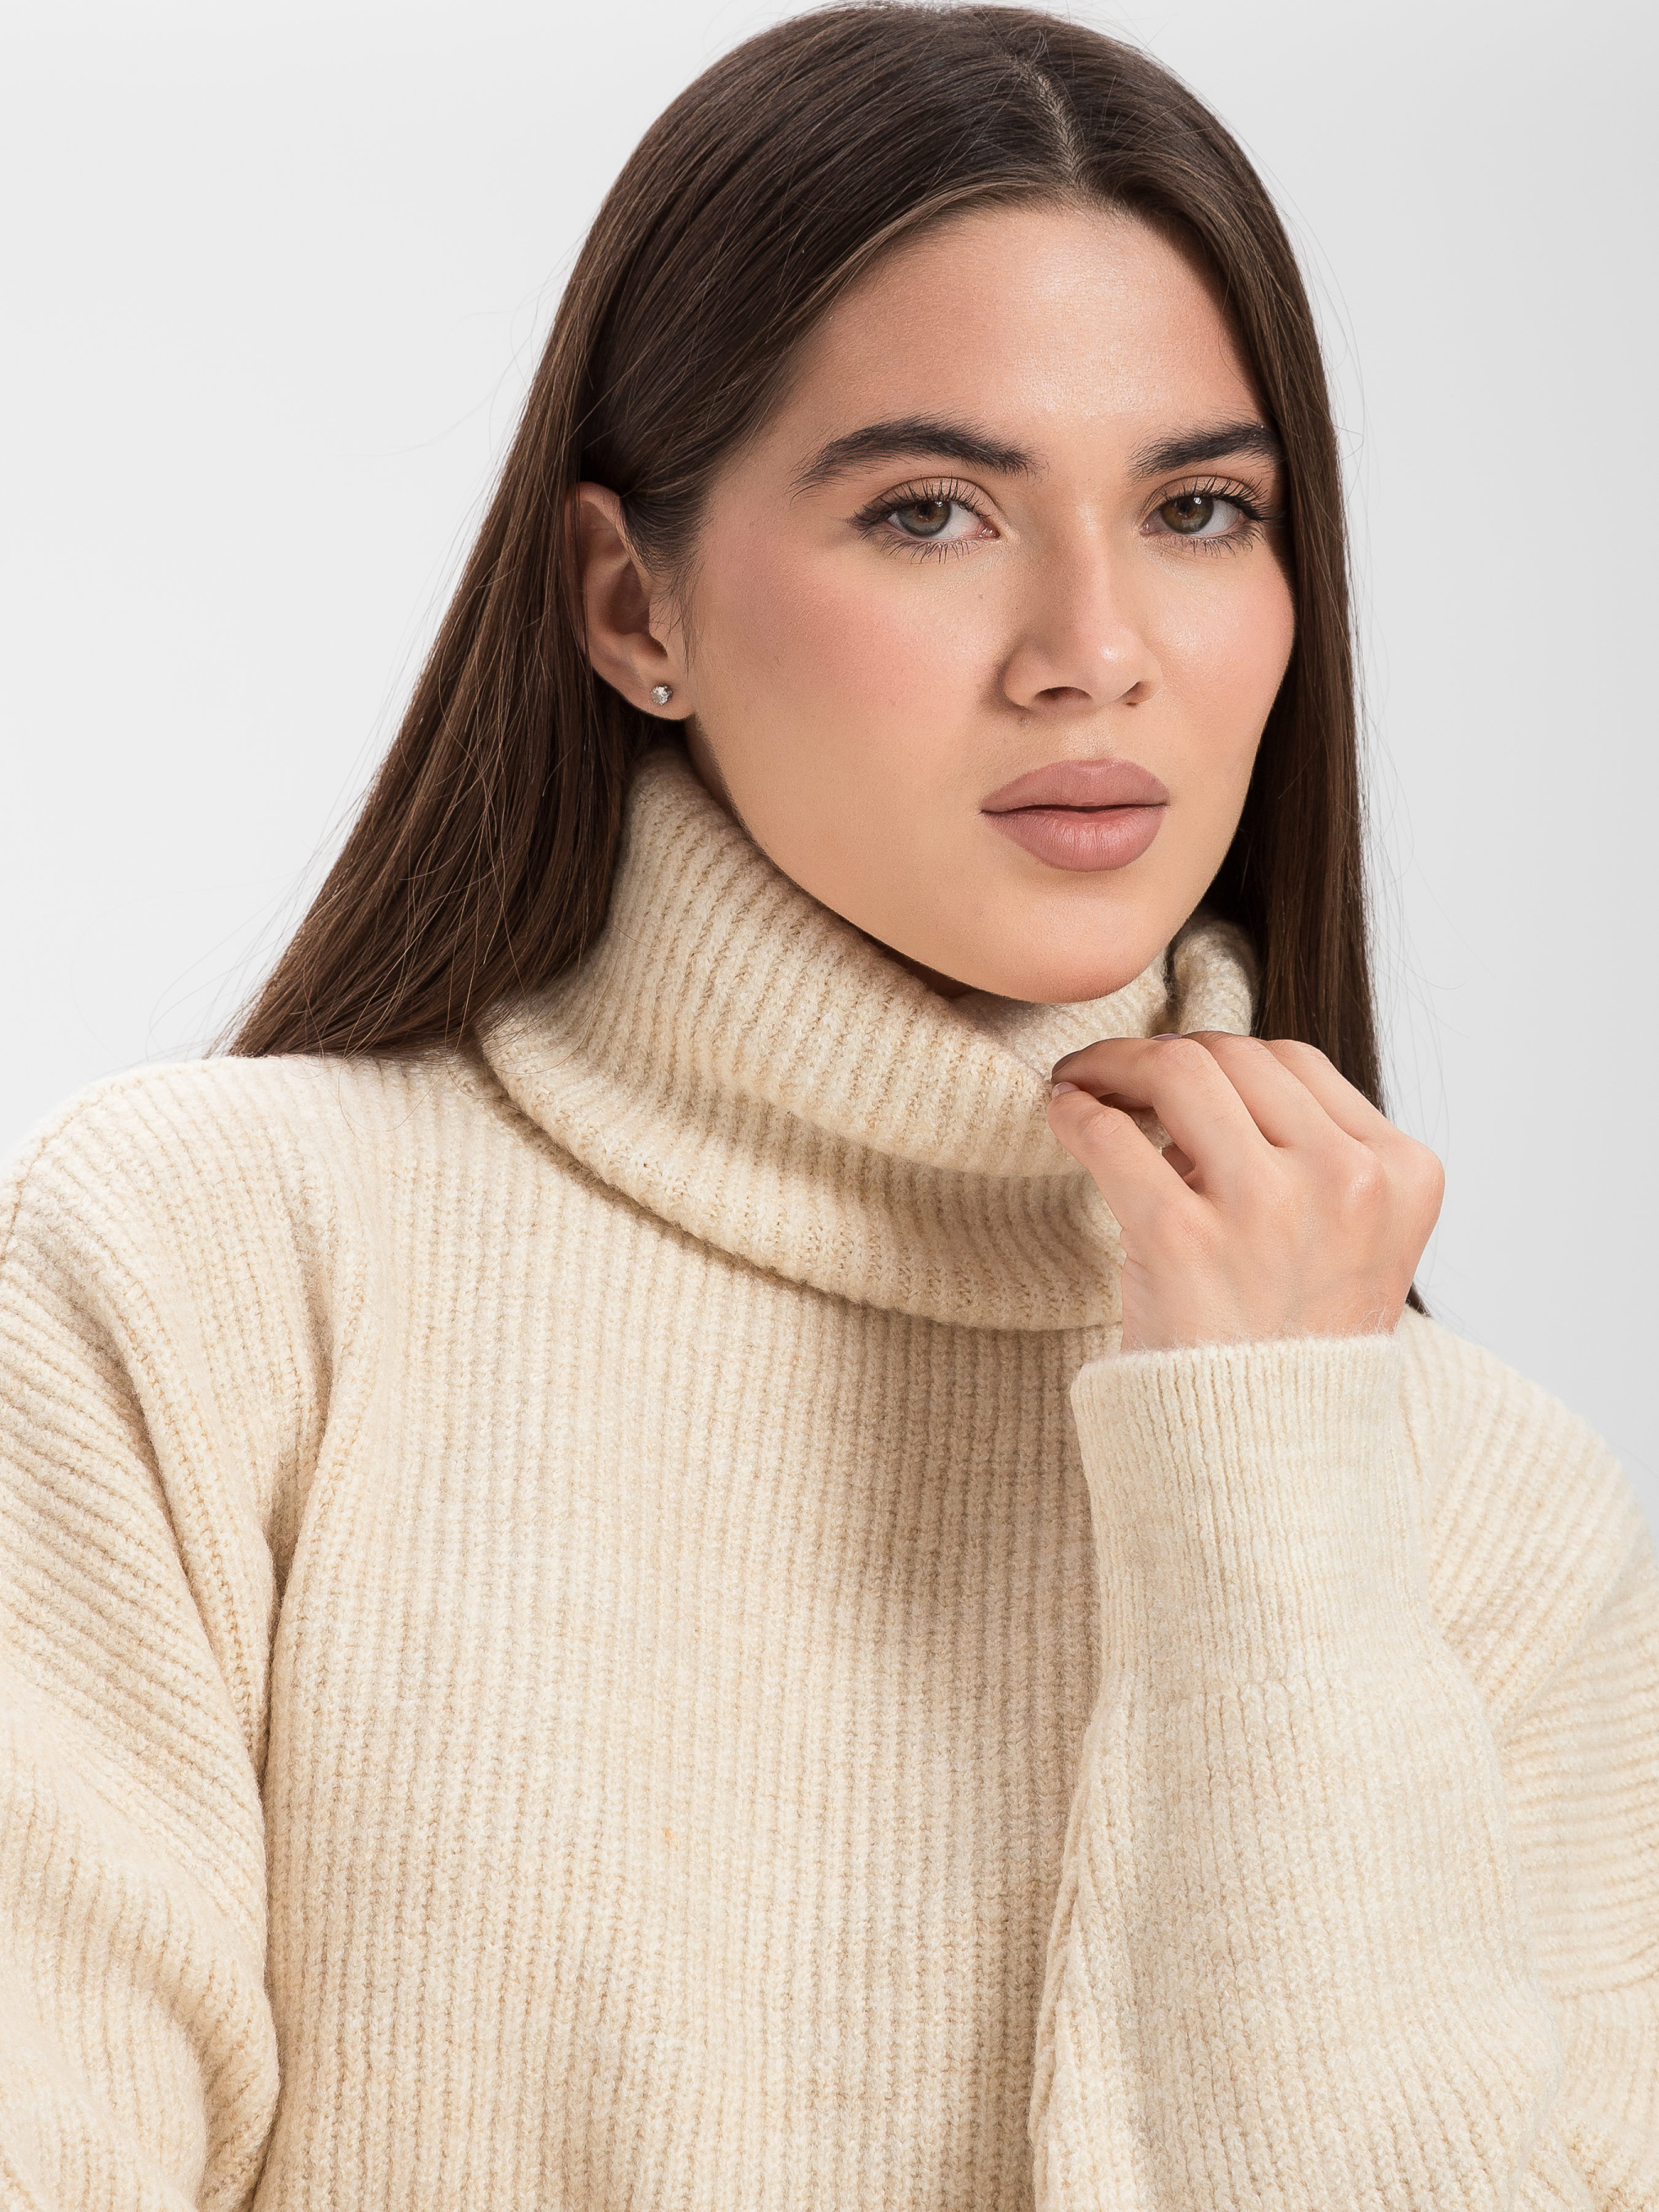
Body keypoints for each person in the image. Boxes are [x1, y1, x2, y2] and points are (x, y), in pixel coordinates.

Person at [2, 6, 1654, 2205]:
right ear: (633, 603)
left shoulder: (1470, 1506)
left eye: (1197, 508)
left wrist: (1270, 1486)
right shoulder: (213, 1276)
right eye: (931, 510)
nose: (1093, 647)